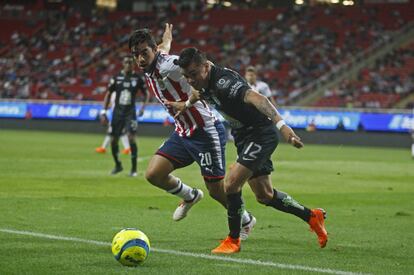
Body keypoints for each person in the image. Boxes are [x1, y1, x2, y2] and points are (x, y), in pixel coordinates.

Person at [169, 47, 328, 254]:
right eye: (186, 76)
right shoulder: (202, 82)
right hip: (244, 136)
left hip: (261, 134)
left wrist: (283, 127)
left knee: (231, 184)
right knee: (265, 195)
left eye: (193, 74)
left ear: (206, 67)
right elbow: (198, 93)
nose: (190, 80)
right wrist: (186, 105)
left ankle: (233, 240)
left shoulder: (225, 83)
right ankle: (311, 216)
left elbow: (259, 99)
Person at [128, 26, 256, 239]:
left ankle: (246, 220)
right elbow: (164, 46)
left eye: (144, 53)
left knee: (217, 191)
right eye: (136, 55)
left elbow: (203, 73)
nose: (140, 59)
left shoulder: (169, 66)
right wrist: (167, 35)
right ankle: (191, 196)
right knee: (154, 174)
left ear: (153, 50)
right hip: (183, 132)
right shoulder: (154, 61)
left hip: (206, 131)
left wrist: (187, 103)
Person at [100, 55, 149, 177]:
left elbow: (146, 93)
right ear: (123, 63)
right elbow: (108, 93)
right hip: (117, 112)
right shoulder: (116, 78)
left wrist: (143, 107)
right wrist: (104, 112)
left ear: (134, 64)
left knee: (131, 138)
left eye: (131, 62)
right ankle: (118, 165)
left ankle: (134, 169)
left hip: (130, 113)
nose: (129, 64)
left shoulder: (137, 78)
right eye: (127, 62)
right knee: (113, 140)